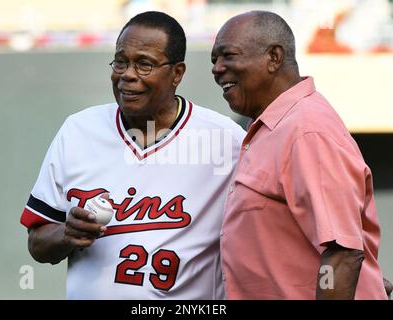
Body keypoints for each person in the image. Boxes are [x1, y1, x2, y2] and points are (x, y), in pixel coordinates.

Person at [20, 11, 246, 299]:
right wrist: (66, 233)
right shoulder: (78, 131)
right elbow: (37, 244)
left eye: (144, 64)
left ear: (177, 73)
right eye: (121, 61)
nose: (127, 74)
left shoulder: (224, 140)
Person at [211, 10, 389, 299]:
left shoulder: (306, 130)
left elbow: (342, 254)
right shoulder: (275, 127)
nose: (217, 69)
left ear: (274, 57)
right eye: (214, 60)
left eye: (228, 56)